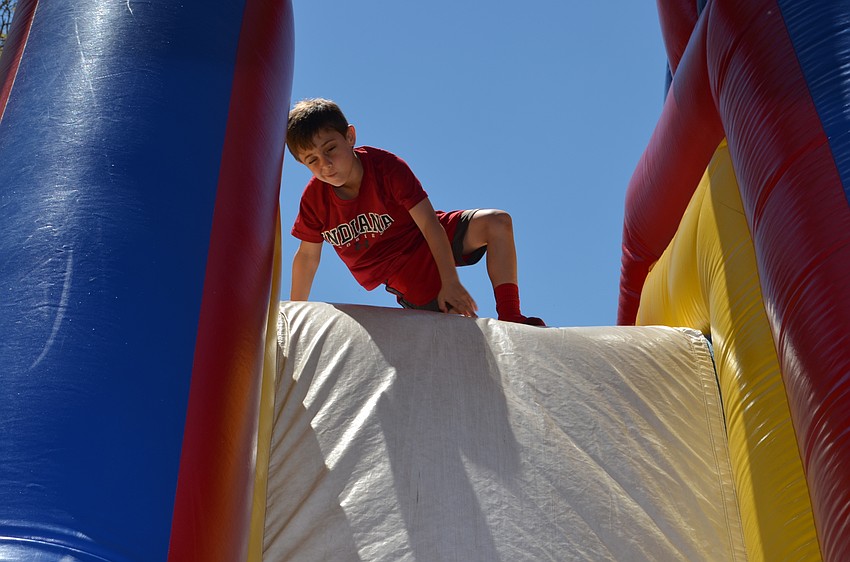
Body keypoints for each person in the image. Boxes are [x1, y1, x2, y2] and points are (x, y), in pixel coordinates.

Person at [286, 98, 544, 326]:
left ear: (350, 136)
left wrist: (450, 281)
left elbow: (430, 224)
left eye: (330, 149)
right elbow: (307, 257)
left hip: (424, 235)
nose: (326, 164)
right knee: (455, 322)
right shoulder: (314, 201)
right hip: (399, 269)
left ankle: (511, 315)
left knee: (497, 222)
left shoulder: (386, 167)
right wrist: (295, 315)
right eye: (312, 160)